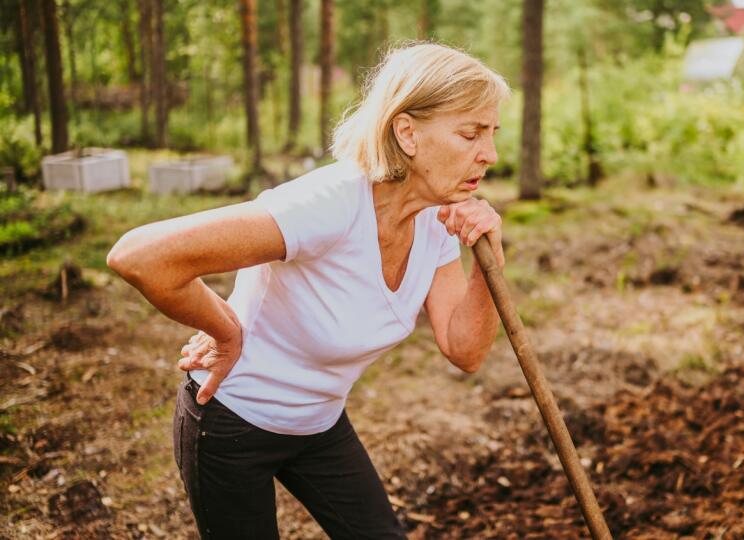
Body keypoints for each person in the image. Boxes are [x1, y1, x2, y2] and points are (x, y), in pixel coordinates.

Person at [106, 43, 510, 539]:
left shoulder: (433, 216)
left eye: (491, 134)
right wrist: (225, 329)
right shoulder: (330, 204)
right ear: (406, 132)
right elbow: (140, 256)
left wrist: (487, 263)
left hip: (318, 426)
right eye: (470, 133)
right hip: (232, 422)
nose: (489, 154)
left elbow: (464, 349)